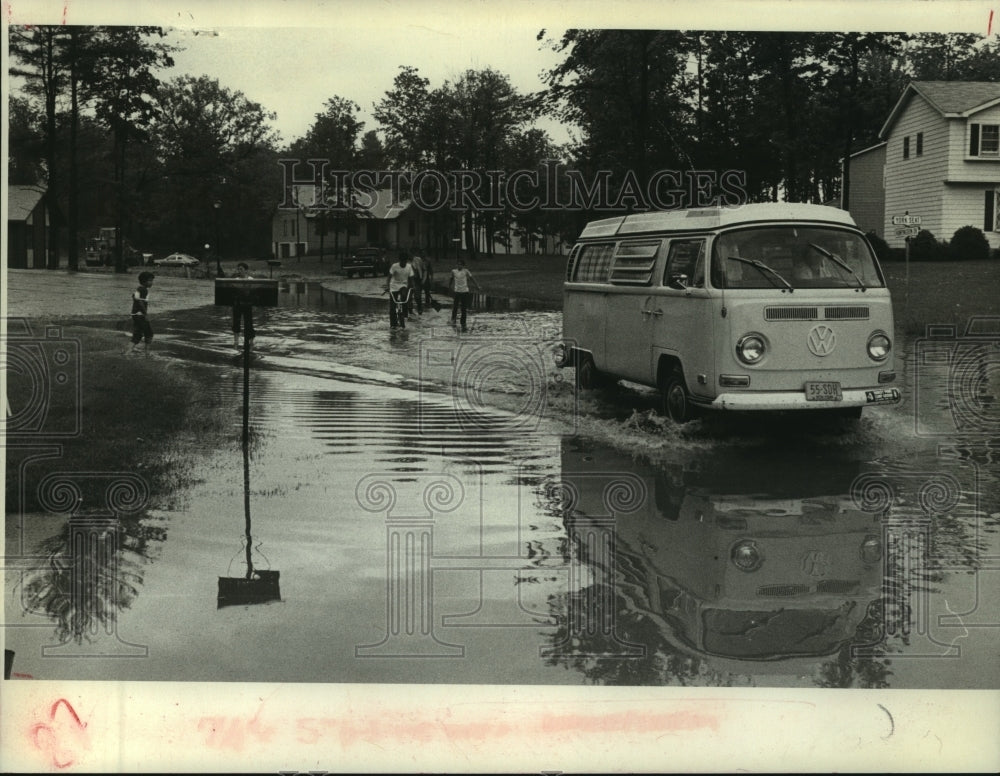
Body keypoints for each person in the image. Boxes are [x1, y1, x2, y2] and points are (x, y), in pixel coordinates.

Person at [448, 257, 480, 332]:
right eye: (458, 264)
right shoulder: (453, 271)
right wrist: (449, 287)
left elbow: (472, 278)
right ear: (456, 265)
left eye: (461, 265)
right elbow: (451, 279)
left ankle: (463, 322)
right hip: (457, 292)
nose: (459, 266)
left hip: (465, 291)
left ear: (463, 265)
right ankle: (453, 320)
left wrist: (477, 285)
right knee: (455, 307)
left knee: (463, 308)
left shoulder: (466, 271)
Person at [385, 252, 415, 329]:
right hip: (394, 286)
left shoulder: (409, 267)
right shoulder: (394, 266)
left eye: (405, 261)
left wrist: (412, 287)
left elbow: (411, 278)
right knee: (392, 305)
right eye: (402, 261)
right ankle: (393, 324)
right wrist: (388, 286)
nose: (403, 263)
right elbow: (389, 277)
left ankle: (404, 314)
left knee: (404, 296)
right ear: (400, 260)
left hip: (403, 285)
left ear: (406, 261)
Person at [129, 271, 155, 355]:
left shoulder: (139, 288)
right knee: (149, 333)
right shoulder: (144, 290)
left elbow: (134, 296)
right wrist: (145, 314)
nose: (152, 283)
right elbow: (140, 303)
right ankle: (147, 352)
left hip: (135, 314)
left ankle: (128, 352)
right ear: (144, 281)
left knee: (137, 334)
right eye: (150, 281)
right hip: (140, 315)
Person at [232, 262, 256, 350]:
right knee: (236, 322)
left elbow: (253, 292)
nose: (239, 271)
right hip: (238, 304)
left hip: (247, 304)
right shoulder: (235, 280)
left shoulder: (251, 279)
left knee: (249, 323)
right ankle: (236, 341)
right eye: (238, 269)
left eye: (241, 269)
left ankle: (251, 342)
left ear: (246, 270)